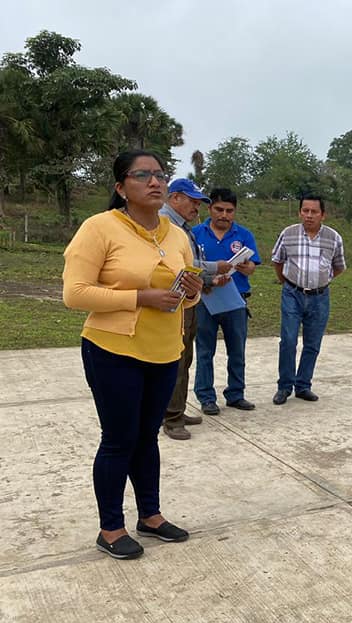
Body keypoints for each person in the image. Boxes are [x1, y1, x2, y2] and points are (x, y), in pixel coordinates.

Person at [62, 150, 202, 559]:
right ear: (121, 187)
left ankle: (151, 516)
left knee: (147, 437)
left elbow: (181, 298)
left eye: (160, 174)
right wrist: (140, 297)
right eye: (143, 175)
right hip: (112, 349)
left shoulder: (176, 234)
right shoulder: (100, 228)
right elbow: (75, 293)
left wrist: (190, 295)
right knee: (119, 439)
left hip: (163, 352)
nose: (155, 182)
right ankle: (110, 528)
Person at [160, 178, 231, 440]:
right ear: (175, 197)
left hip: (186, 299)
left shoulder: (180, 227)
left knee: (184, 358)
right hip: (174, 301)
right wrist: (214, 268)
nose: (196, 208)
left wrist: (210, 276)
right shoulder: (164, 225)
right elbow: (177, 266)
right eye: (192, 201)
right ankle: (172, 417)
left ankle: (174, 409)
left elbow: (190, 263)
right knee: (175, 360)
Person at [271, 194, 346, 405]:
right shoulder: (288, 234)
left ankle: (303, 385)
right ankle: (284, 386)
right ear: (299, 212)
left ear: (323, 214)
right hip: (292, 294)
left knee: (312, 344)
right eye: (305, 211)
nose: (309, 215)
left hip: (319, 296)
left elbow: (339, 266)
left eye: (314, 212)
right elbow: (277, 260)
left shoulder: (333, 238)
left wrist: (324, 280)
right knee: (288, 340)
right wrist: (284, 281)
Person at [192, 187, 261, 415]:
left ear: (235, 211)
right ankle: (206, 397)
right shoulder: (195, 234)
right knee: (204, 350)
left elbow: (253, 266)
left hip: (236, 300)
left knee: (237, 350)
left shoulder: (243, 235)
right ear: (209, 208)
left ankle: (235, 394)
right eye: (219, 209)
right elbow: (188, 265)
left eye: (229, 211)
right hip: (205, 299)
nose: (224, 215)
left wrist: (247, 267)